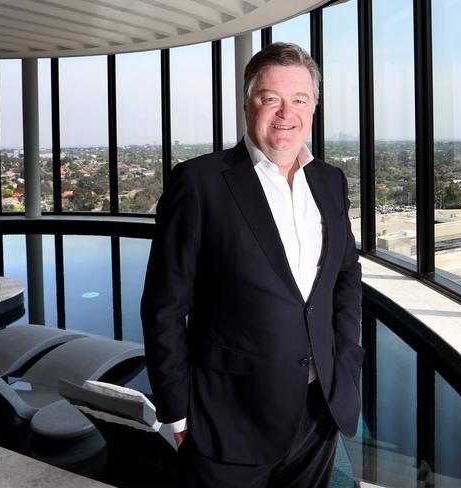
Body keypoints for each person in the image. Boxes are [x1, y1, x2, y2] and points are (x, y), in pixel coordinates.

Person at [141, 42, 364, 487]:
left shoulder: (329, 181)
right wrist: (179, 415)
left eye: (299, 100)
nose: (286, 113)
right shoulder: (200, 183)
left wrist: (346, 368)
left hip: (317, 412)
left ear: (313, 108)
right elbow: (163, 307)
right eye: (270, 99)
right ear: (247, 105)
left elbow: (344, 279)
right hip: (226, 421)